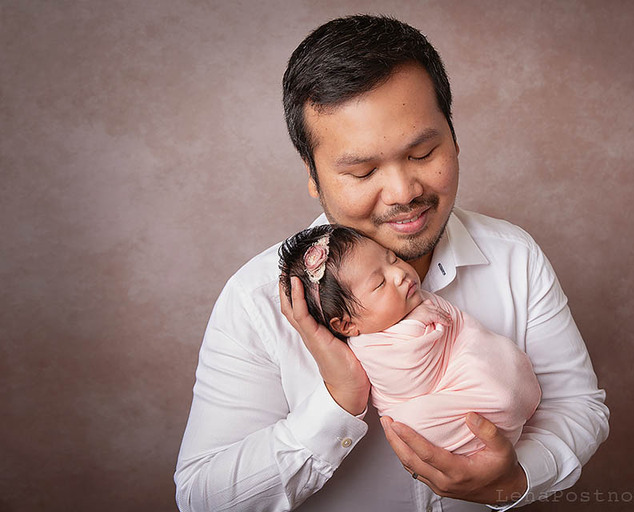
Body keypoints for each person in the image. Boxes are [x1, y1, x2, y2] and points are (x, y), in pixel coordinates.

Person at [175, 14, 609, 512]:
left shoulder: (514, 255)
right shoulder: (256, 300)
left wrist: (513, 480)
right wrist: (336, 402)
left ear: (453, 137)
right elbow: (201, 498)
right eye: (361, 171)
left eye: (424, 153)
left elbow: (578, 407)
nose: (404, 193)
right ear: (314, 177)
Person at [277, 224, 542, 457]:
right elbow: (412, 377)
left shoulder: (408, 305)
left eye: (392, 259)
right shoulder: (373, 349)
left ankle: (509, 396)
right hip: (454, 421)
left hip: (489, 389)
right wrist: (421, 322)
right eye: (380, 284)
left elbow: (460, 332)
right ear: (347, 325)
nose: (399, 274)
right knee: (411, 421)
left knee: (489, 356)